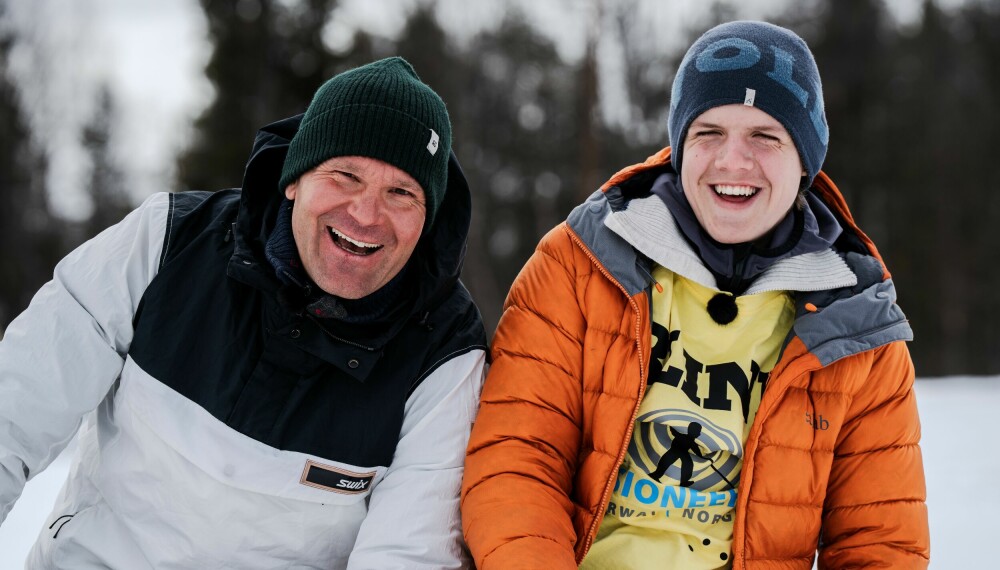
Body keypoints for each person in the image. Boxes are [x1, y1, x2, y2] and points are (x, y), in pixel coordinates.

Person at [461, 21, 929, 569]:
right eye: (709, 132)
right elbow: (516, 461)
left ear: (805, 158)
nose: (733, 161)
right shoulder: (578, 264)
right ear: (680, 146)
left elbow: (880, 544)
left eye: (765, 136)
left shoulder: (858, 326)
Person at [0, 56, 487, 569]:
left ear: (427, 218)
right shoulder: (166, 243)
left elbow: (408, 554)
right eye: (345, 176)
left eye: (401, 193)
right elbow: (16, 402)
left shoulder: (443, 353)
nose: (367, 215)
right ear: (294, 178)